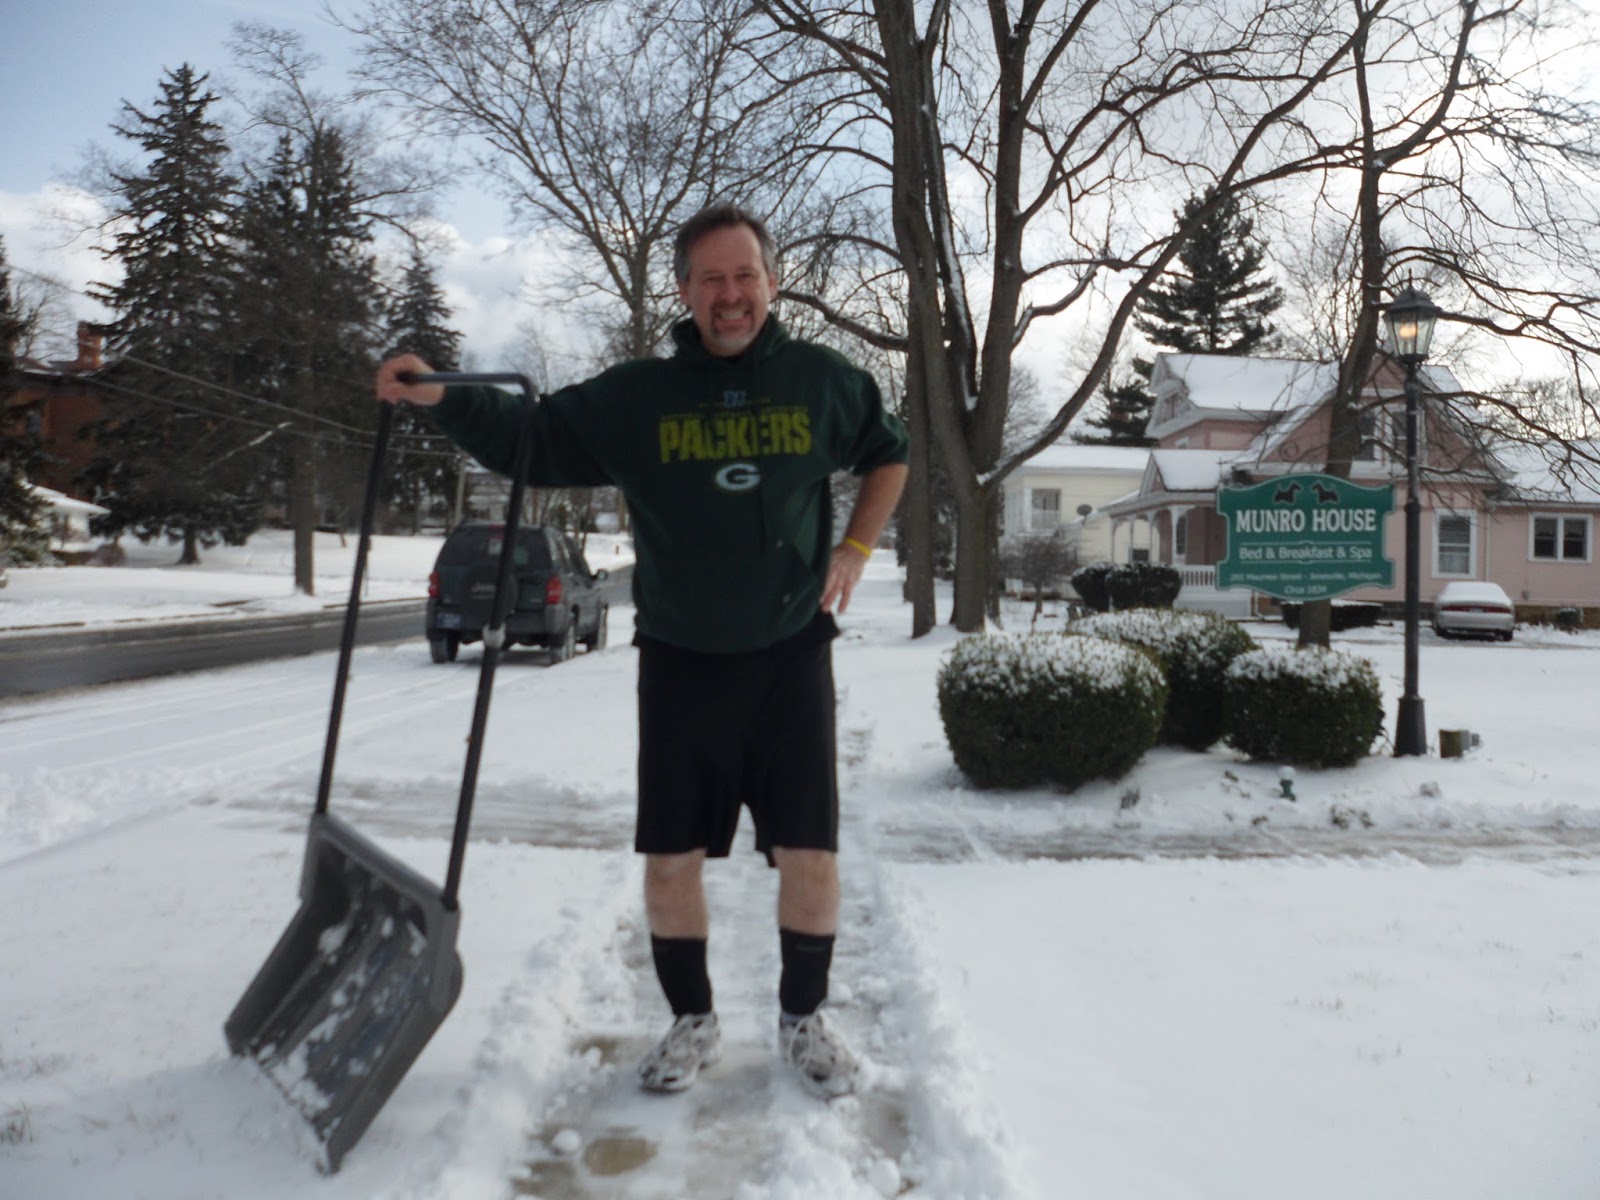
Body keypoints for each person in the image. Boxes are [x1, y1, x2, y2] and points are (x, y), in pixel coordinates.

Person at [376, 204, 909, 1098]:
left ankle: (803, 1021)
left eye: (744, 276)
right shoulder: (639, 397)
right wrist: (436, 391)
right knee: (671, 861)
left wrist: (855, 548)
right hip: (679, 662)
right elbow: (528, 437)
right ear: (684, 291)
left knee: (811, 855)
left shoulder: (823, 382)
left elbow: (888, 452)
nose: (730, 296)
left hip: (788, 658)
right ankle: (692, 1022)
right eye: (711, 279)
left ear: (771, 284)